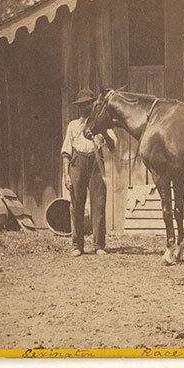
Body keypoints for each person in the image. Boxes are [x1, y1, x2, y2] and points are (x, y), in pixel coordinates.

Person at [61, 88, 115, 257]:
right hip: (77, 164)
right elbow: (66, 152)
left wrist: (103, 132)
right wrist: (66, 174)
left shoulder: (101, 123)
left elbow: (112, 146)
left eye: (87, 105)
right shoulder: (73, 126)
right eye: (81, 105)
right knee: (76, 204)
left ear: (93, 105)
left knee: (98, 204)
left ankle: (99, 245)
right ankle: (77, 245)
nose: (85, 108)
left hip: (96, 164)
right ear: (78, 108)